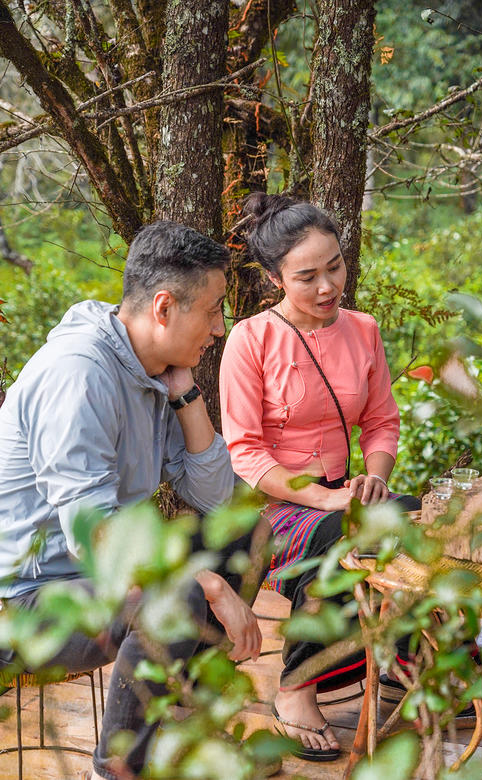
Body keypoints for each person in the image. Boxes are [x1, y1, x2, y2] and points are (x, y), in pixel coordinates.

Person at [0, 221, 265, 780]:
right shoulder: (82, 376)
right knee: (178, 598)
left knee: (247, 531)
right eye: (213, 310)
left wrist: (188, 394)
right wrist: (209, 584)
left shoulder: (148, 370)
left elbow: (217, 501)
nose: (220, 328)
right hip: (25, 601)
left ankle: (176, 726)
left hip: (86, 582)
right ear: (164, 307)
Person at [219, 193, 420, 761]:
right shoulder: (251, 340)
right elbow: (248, 456)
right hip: (274, 509)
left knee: (409, 516)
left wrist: (373, 480)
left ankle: (399, 658)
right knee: (345, 535)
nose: (329, 286)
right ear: (274, 277)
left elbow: (381, 423)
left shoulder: (363, 330)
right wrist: (326, 501)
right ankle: (295, 686)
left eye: (335, 266)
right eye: (307, 276)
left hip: (344, 497)